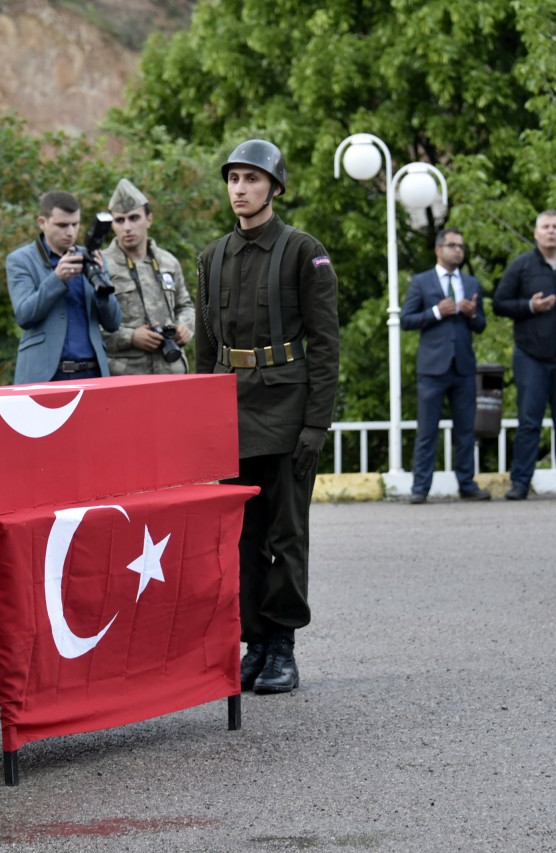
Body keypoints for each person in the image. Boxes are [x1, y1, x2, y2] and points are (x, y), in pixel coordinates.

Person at [194, 139, 340, 696]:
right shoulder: (212, 258)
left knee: (286, 532)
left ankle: (282, 645)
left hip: (287, 409)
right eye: (233, 178)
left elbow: (325, 345)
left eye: (251, 179)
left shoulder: (305, 251)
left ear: (274, 187)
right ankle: (253, 643)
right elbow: (206, 352)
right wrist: (200, 426)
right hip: (232, 411)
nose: (239, 189)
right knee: (239, 536)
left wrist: (315, 425)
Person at [492, 210, 556, 501]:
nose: (550, 231)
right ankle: (521, 482)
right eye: (545, 227)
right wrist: (529, 306)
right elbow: (499, 303)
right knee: (528, 422)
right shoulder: (521, 266)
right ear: (536, 233)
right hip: (530, 357)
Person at [402, 229, 492, 504]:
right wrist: (437, 311)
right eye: (452, 245)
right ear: (438, 250)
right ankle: (421, 488)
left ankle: (467, 484)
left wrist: (472, 313)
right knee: (427, 430)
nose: (458, 250)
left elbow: (481, 325)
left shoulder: (471, 282)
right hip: (432, 369)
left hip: (463, 367)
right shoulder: (421, 281)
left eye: (461, 246)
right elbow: (407, 320)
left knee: (466, 431)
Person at [6, 190, 122, 383]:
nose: (70, 232)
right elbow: (24, 316)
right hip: (45, 376)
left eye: (75, 224)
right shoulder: (20, 260)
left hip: (92, 373)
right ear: (42, 222)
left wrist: (102, 285)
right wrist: (57, 278)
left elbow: (113, 323)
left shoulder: (92, 257)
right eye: (62, 225)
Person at [100, 178, 194, 374]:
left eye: (134, 218)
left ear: (149, 219)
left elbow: (185, 305)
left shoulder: (168, 262)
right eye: (119, 220)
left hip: (171, 370)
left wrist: (184, 327)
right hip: (125, 375)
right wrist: (131, 336)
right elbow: (88, 325)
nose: (127, 227)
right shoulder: (100, 266)